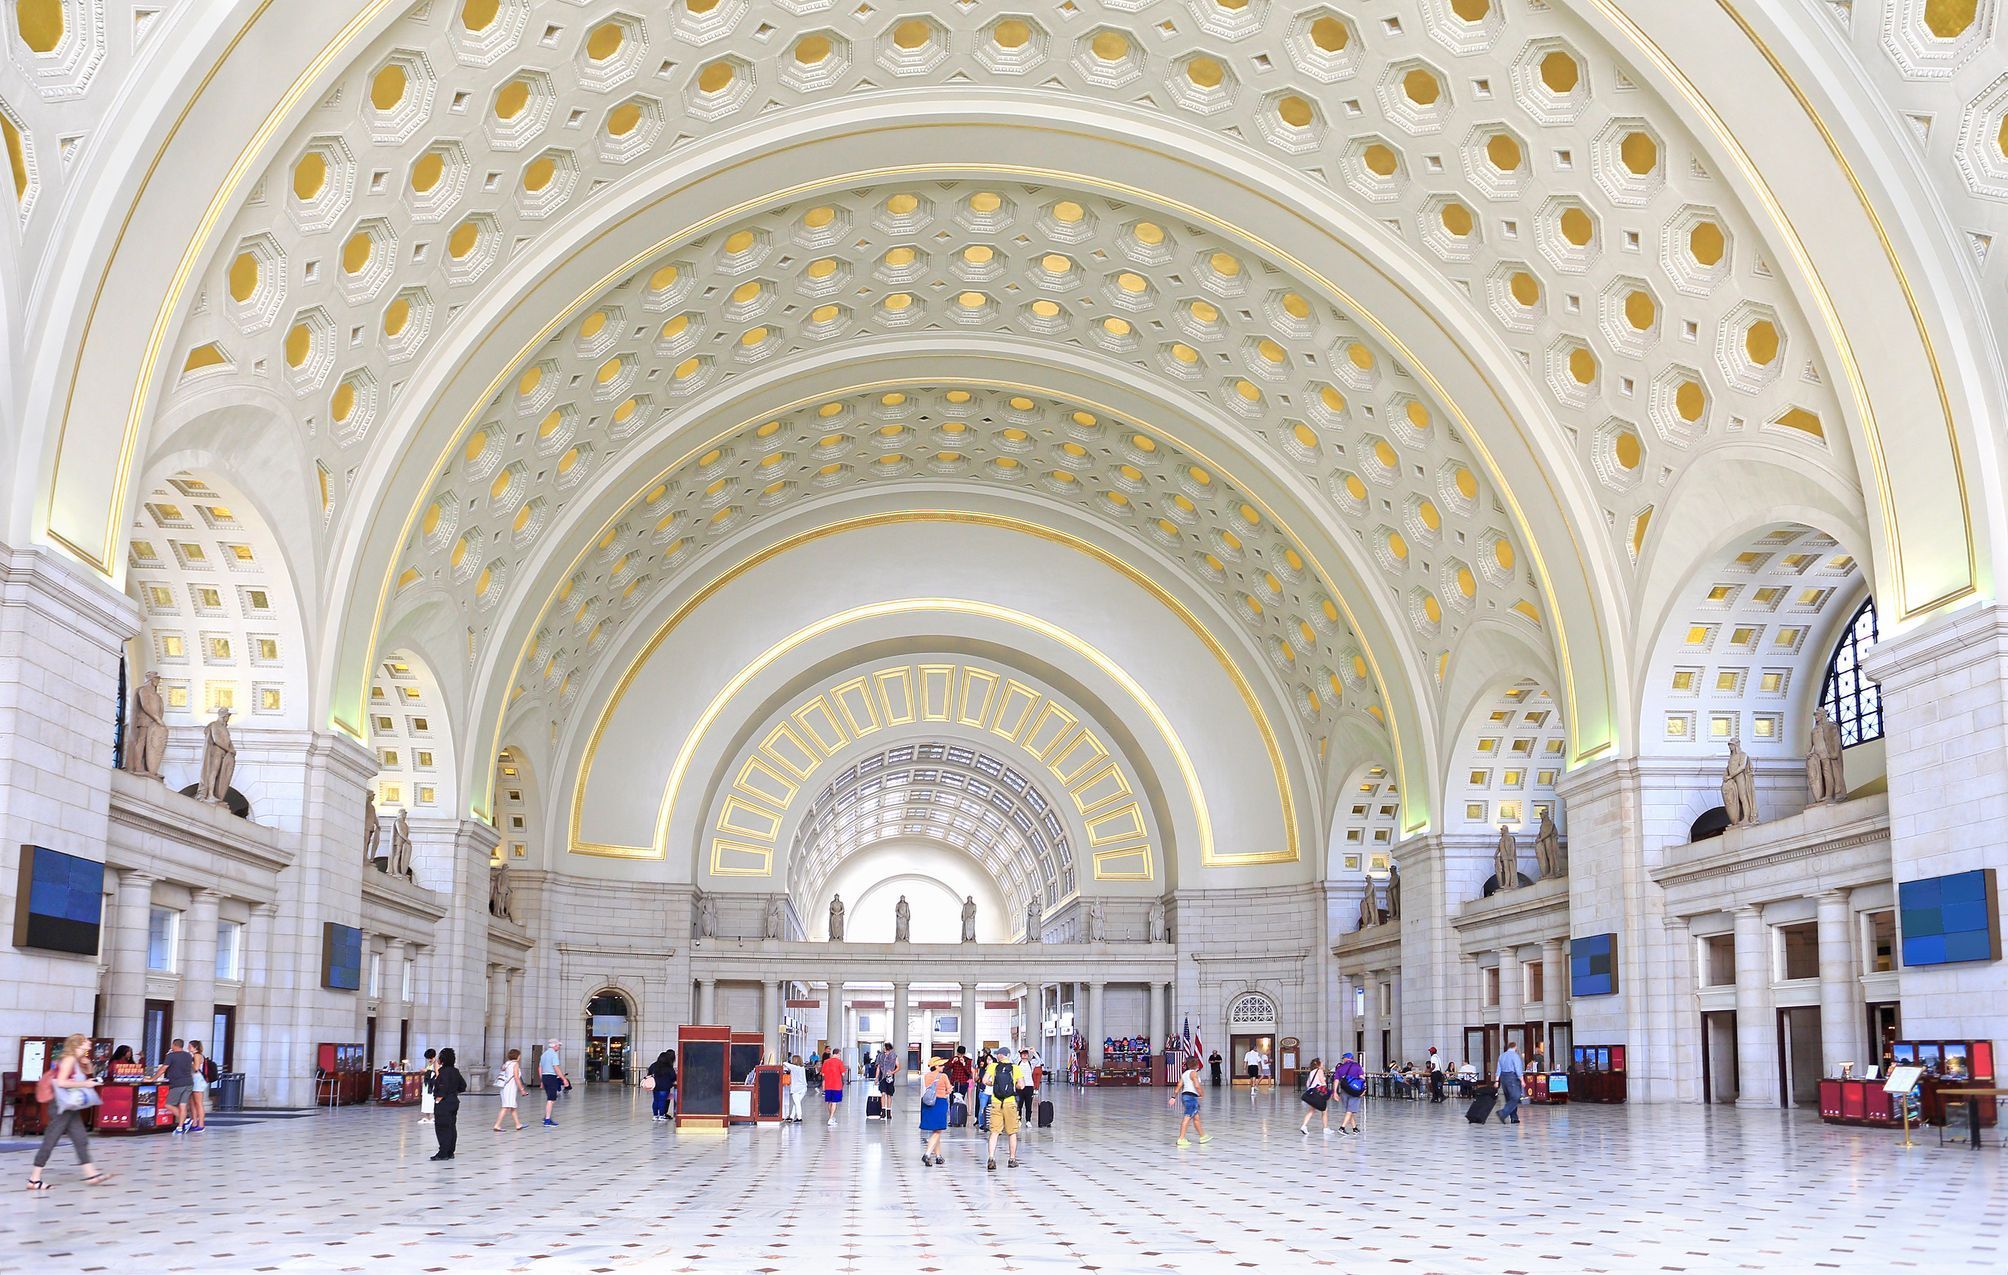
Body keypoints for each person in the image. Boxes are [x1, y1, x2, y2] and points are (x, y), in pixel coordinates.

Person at [26, 1034, 111, 1190]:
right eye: (85, 1041)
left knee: (81, 1138)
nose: (89, 1043)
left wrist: (87, 1065)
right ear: (78, 1044)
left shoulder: (76, 1060)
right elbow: (61, 1081)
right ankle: (34, 1179)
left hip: (70, 1107)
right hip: (61, 1106)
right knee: (50, 1140)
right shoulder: (69, 1060)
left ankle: (91, 1174)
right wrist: (85, 1083)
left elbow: (89, 1073)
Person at [984, 1047, 1026, 1170]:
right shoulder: (1015, 1068)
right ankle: (1012, 1159)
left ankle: (991, 1158)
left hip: (996, 1102)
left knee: (994, 1132)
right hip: (1010, 1103)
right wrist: (1014, 1085)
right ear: (1008, 1055)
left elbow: (984, 1080)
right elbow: (1021, 1085)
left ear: (999, 1056)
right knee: (1012, 1132)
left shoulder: (993, 1066)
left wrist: (993, 1084)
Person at [430, 1047, 466, 1160]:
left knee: (442, 1128)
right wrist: (453, 1092)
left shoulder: (443, 1072)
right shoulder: (455, 1071)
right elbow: (462, 1086)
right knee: (451, 1127)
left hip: (444, 1103)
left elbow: (442, 1087)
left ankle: (443, 1153)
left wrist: (439, 1099)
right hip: (453, 1101)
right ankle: (450, 1151)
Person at [1169, 1054, 1210, 1147]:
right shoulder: (1194, 1073)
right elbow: (1197, 1086)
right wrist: (1201, 1094)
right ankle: (1181, 1138)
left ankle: (1202, 1136)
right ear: (1196, 1064)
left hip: (1185, 1095)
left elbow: (1178, 1086)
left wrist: (1173, 1097)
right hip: (1191, 1097)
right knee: (1187, 1117)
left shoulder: (1185, 1074)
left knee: (1196, 1117)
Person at [156, 1038, 195, 1134]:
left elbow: (163, 1069)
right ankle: (180, 1127)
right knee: (183, 1105)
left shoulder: (171, 1056)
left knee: (168, 1104)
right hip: (189, 1082)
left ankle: (186, 1120)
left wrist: (152, 1078)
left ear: (174, 1045)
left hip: (177, 1083)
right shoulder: (188, 1055)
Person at [918, 1056, 952, 1166]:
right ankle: (927, 1154)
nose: (943, 1066)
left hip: (928, 1103)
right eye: (941, 1065)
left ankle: (938, 1156)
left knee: (936, 1131)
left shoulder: (927, 1076)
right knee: (938, 1131)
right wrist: (949, 1090)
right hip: (940, 1102)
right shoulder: (943, 1076)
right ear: (936, 1066)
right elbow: (948, 1089)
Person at [538, 1038, 570, 1127]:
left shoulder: (544, 1055)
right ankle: (547, 1120)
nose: (559, 1047)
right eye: (559, 1045)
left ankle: (546, 1117)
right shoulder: (554, 1055)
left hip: (544, 1076)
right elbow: (556, 1068)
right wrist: (564, 1079)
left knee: (551, 1098)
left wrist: (541, 1080)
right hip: (551, 1077)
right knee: (551, 1099)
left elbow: (540, 1068)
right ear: (555, 1045)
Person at [1334, 1051, 1366, 1136]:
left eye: (1343, 1058)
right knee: (1350, 1110)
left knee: (1349, 1110)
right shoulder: (1357, 1066)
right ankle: (1342, 1128)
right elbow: (1362, 1078)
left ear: (1346, 1058)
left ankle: (1354, 1128)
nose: (1343, 1060)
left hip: (1344, 1090)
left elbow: (1336, 1080)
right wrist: (1364, 1089)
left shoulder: (1339, 1068)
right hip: (1355, 1090)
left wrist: (1335, 1092)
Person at [1298, 1057, 1331, 1135]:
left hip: (1312, 1093)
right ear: (1318, 1064)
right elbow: (1323, 1083)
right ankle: (1326, 1128)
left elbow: (1307, 1084)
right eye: (1321, 1062)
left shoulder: (1312, 1072)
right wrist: (1325, 1084)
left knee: (1311, 1110)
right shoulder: (1319, 1071)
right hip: (1319, 1093)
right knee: (1324, 1110)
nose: (1323, 1063)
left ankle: (1304, 1126)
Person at [1495, 1041, 1525, 1125]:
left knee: (1509, 1098)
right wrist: (1522, 1080)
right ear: (1515, 1047)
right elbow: (1518, 1069)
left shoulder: (1502, 1055)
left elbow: (1498, 1069)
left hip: (1503, 1078)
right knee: (1516, 1097)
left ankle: (1514, 1118)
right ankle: (1503, 1113)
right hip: (1512, 1078)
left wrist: (1497, 1081)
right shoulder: (1515, 1056)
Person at [646, 1049, 677, 1122]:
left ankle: (655, 1115)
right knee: (662, 1101)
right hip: (665, 1086)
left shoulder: (654, 1065)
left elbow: (649, 1074)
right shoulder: (668, 1067)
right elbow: (673, 1076)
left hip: (655, 1086)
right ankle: (661, 1115)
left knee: (656, 1101)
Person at [186, 1040, 210, 1131]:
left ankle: (201, 1124)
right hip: (193, 1079)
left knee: (198, 1103)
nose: (188, 1048)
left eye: (190, 1046)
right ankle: (194, 1121)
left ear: (195, 1047)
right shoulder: (195, 1055)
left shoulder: (197, 1055)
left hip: (197, 1079)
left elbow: (196, 1068)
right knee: (192, 1102)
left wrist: (189, 1062)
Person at [820, 1048, 848, 1125]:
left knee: (829, 1102)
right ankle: (831, 1118)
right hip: (837, 1085)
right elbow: (843, 1074)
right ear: (838, 1054)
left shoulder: (826, 1062)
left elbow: (823, 1074)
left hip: (828, 1085)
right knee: (834, 1102)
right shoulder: (839, 1062)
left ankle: (831, 1117)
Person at [874, 1042, 898, 1120]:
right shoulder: (880, 1056)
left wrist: (892, 1072)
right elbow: (878, 1067)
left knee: (889, 1095)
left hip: (890, 1078)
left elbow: (898, 1066)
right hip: (882, 1077)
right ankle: (883, 1111)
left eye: (885, 1048)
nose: (884, 1049)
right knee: (883, 1093)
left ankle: (889, 1112)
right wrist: (876, 1078)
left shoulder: (894, 1056)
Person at [1016, 1047, 1037, 1125]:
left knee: (1028, 1104)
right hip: (1019, 1086)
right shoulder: (1018, 1063)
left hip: (1029, 1086)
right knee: (1019, 1104)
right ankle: (1019, 1120)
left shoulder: (1031, 1063)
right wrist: (1019, 1050)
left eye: (1026, 1053)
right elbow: (1013, 1059)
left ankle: (1028, 1120)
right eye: (1023, 1053)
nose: (1024, 1055)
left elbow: (1039, 1061)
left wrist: (1034, 1052)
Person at [785, 1053, 807, 1122]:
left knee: (797, 1103)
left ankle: (799, 1117)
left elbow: (785, 1063)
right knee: (796, 1103)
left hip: (796, 1089)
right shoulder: (802, 1068)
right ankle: (791, 1116)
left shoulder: (794, 1067)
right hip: (803, 1088)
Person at [419, 1048, 438, 1124]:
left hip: (432, 1085)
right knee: (426, 1100)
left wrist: (426, 1071)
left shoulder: (436, 1063)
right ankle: (427, 1117)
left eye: (430, 1058)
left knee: (432, 1100)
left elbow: (436, 1073)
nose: (429, 1060)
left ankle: (433, 1117)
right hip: (427, 1085)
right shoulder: (429, 1064)